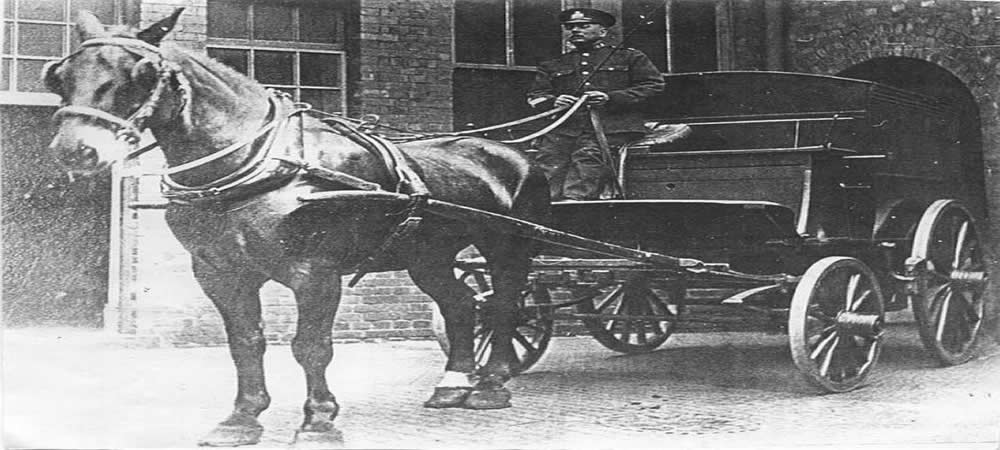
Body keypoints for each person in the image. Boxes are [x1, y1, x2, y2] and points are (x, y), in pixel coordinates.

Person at [527, 8, 664, 201]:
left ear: (603, 31)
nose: (575, 30)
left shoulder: (630, 57)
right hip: (566, 129)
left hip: (612, 127)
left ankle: (573, 204)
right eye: (570, 27)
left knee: (588, 157)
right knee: (547, 162)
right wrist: (554, 101)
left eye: (583, 26)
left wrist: (611, 98)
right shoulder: (553, 64)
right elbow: (536, 95)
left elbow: (654, 86)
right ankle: (541, 207)